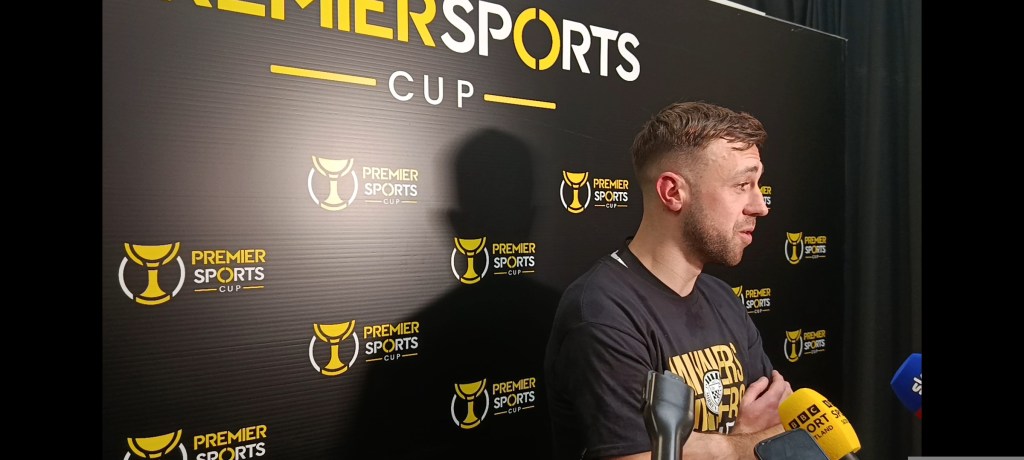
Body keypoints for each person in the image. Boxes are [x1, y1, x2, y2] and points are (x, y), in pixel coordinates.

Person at [544, 101, 793, 460]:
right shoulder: (603, 312)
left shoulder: (721, 298)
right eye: (742, 185)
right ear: (673, 193)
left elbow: (781, 420)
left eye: (757, 185)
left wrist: (705, 447)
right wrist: (742, 439)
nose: (760, 206)